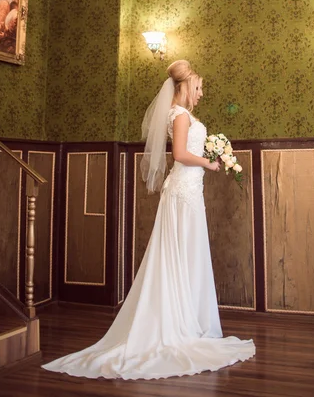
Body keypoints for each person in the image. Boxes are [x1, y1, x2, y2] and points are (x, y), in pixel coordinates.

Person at [42, 60, 255, 380]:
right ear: (185, 86)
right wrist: (209, 163)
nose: (201, 93)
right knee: (180, 256)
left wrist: (212, 154)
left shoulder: (183, 114)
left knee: (190, 256)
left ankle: (191, 320)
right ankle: (175, 324)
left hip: (190, 193)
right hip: (183, 192)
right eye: (198, 87)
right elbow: (181, 155)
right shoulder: (179, 115)